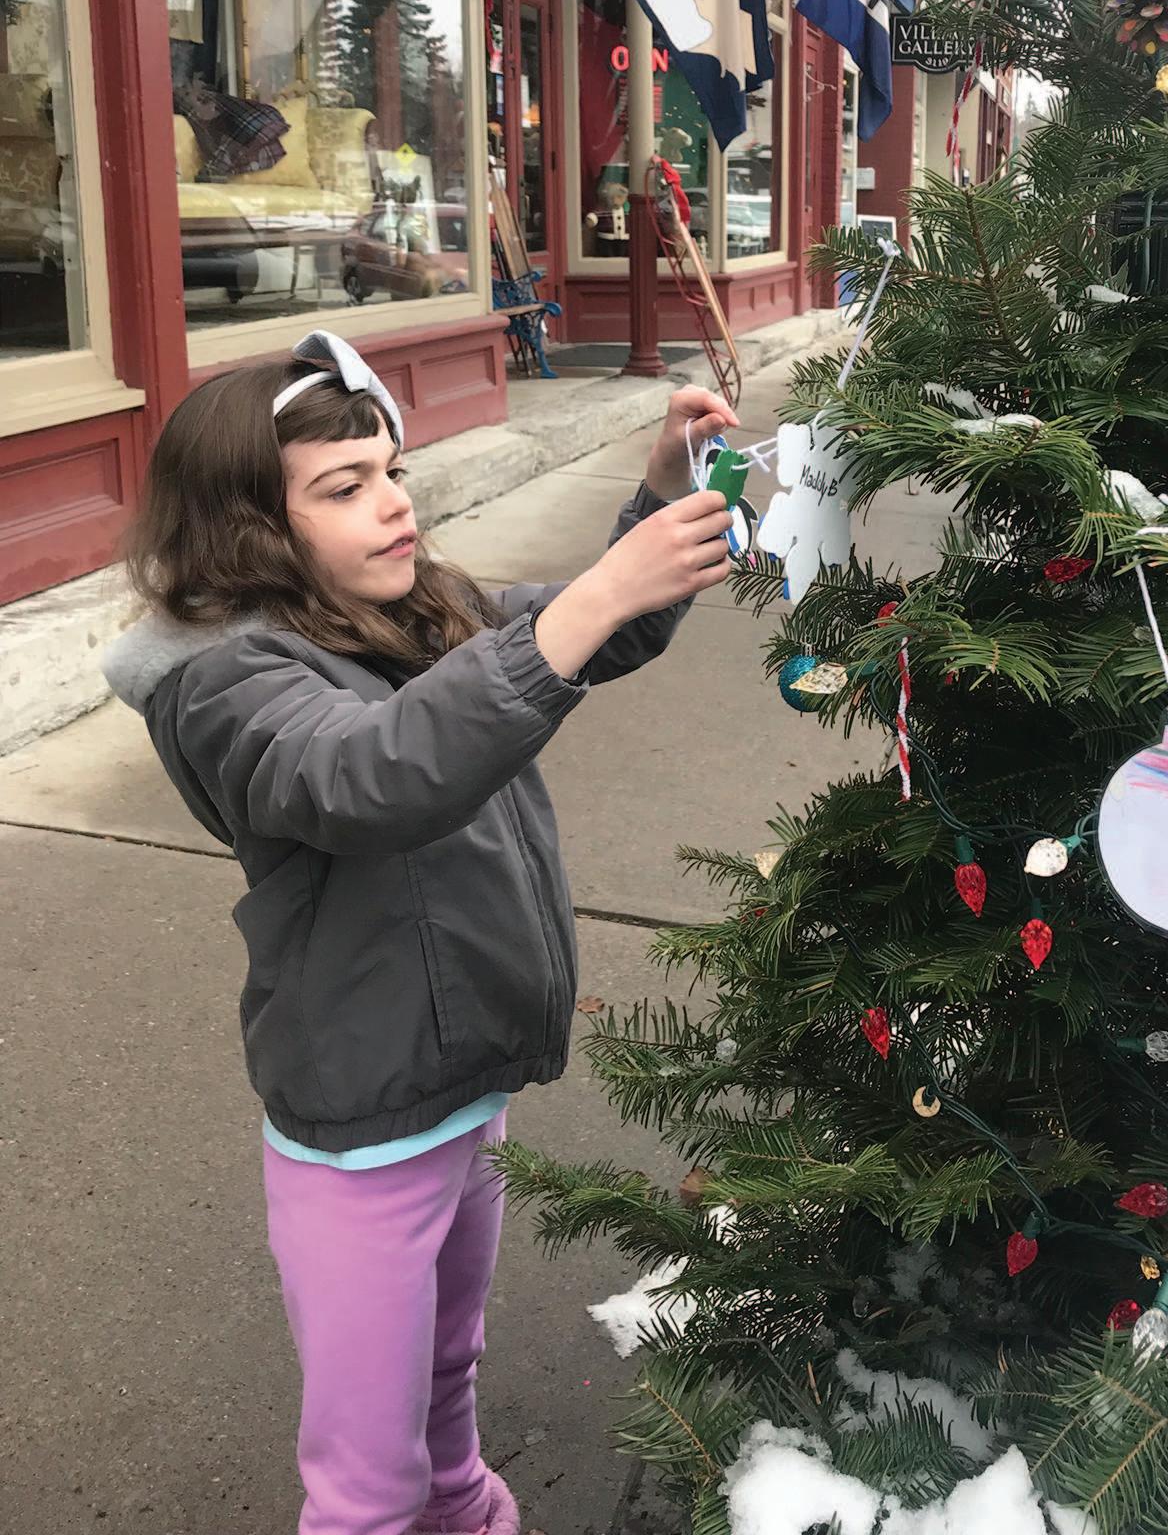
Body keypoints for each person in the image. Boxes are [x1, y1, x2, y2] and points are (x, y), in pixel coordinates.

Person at [102, 330, 737, 1535]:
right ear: (246, 530)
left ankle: (466, 1504)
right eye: (345, 488)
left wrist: (661, 491)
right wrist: (597, 594)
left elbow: (595, 634)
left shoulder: (404, 611)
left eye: (392, 471)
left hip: (462, 1084)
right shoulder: (226, 685)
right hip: (362, 1135)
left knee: (450, 1364)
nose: (395, 504)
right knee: (366, 1481)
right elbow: (374, 775)